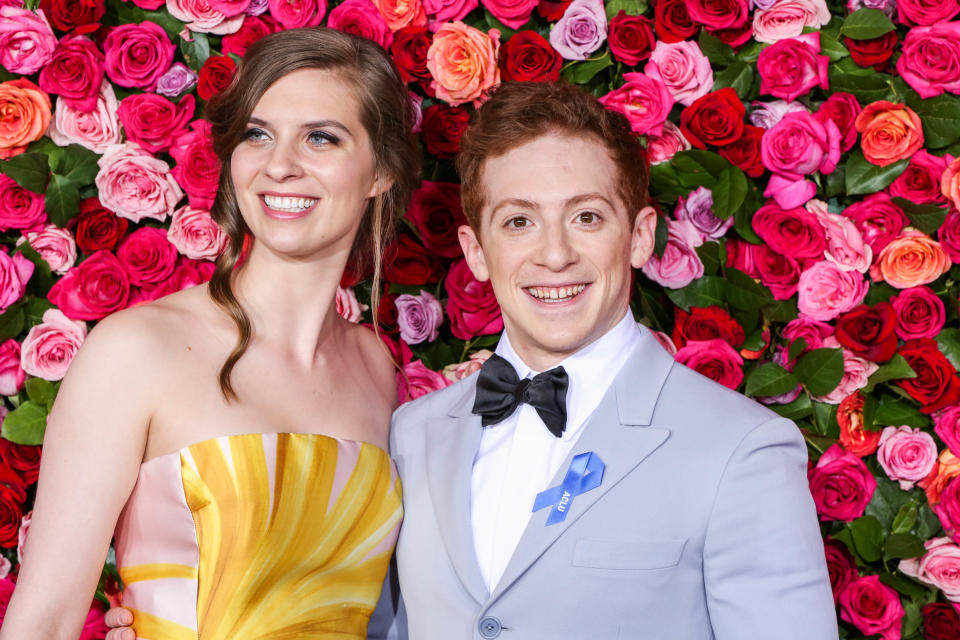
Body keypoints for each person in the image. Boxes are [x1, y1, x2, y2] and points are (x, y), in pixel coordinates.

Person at [0, 27, 419, 640]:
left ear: (380, 171)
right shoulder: (137, 351)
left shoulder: (378, 370)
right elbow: (45, 618)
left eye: (321, 138)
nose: (280, 165)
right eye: (258, 134)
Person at [381, 81, 838, 638]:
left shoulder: (742, 450)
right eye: (519, 221)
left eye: (587, 217)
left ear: (641, 237)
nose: (554, 255)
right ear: (477, 251)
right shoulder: (413, 434)